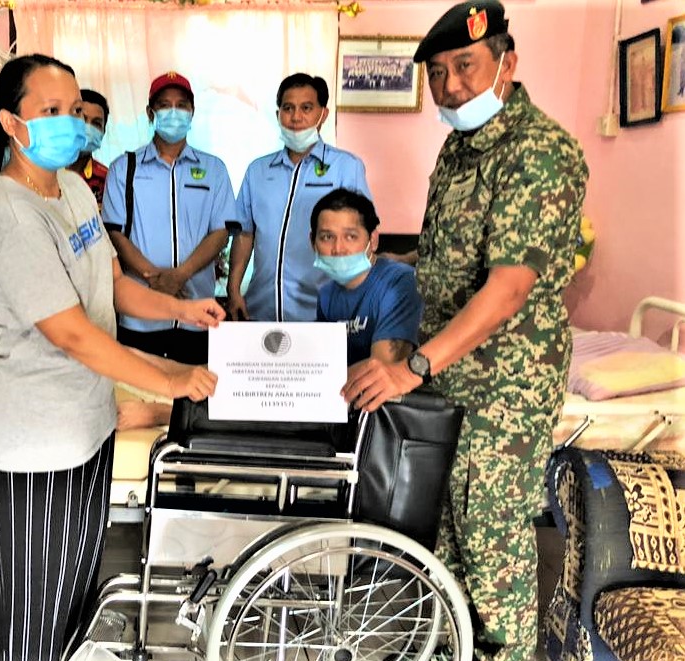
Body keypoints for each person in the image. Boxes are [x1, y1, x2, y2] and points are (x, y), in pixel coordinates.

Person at [342, 3, 588, 660]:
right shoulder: (459, 147)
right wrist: (385, 268)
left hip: (504, 384)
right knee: (447, 534)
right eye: (437, 73)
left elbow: (506, 288)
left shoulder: (538, 152)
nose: (449, 86)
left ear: (507, 63)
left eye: (465, 66)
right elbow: (446, 256)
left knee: (489, 539)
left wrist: (411, 368)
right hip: (450, 371)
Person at [0, 54, 221, 661]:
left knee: (77, 589)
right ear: (11, 122)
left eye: (75, 110)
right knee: (32, 612)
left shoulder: (75, 189)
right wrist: (169, 382)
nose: (70, 122)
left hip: (86, 424)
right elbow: (74, 335)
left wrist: (181, 309)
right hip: (33, 442)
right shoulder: (10, 214)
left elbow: (111, 286)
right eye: (50, 110)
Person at [102, 72, 235, 365]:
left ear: (192, 112)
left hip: (197, 315)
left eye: (181, 105)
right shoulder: (124, 168)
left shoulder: (213, 169)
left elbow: (220, 232)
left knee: (194, 389)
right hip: (140, 317)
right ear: (150, 113)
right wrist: (155, 279)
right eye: (164, 105)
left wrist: (180, 275)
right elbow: (115, 234)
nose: (173, 113)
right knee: (139, 392)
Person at [228, 73, 372, 323]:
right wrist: (233, 289)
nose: (296, 117)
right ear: (278, 115)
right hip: (261, 309)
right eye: (288, 108)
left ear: (323, 114)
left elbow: (364, 236)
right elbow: (245, 234)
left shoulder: (346, 167)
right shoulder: (258, 171)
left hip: (323, 312)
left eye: (306, 108)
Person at [310, 188, 422, 365]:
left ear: (373, 240)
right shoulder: (326, 295)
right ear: (313, 243)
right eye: (327, 237)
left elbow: (382, 368)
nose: (338, 249)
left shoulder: (401, 283)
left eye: (350, 236)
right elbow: (324, 363)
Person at [68, 88, 109, 205]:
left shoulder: (106, 180)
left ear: (103, 132)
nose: (88, 128)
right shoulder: (44, 171)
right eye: (82, 120)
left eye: (96, 123)